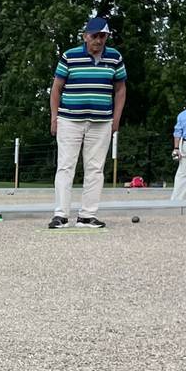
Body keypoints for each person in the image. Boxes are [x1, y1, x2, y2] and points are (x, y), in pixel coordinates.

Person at [48, 17, 127, 229]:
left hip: (101, 121)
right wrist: (54, 117)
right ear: (85, 36)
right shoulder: (70, 56)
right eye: (94, 36)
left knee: (95, 168)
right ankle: (61, 214)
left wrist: (116, 119)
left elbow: (120, 89)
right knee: (65, 166)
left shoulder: (114, 58)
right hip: (69, 119)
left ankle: (87, 215)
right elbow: (56, 88)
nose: (98, 40)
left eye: (103, 36)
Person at [169, 93, 186, 201]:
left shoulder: (183, 115)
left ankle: (176, 200)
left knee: (183, 175)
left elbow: (177, 133)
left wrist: (176, 148)